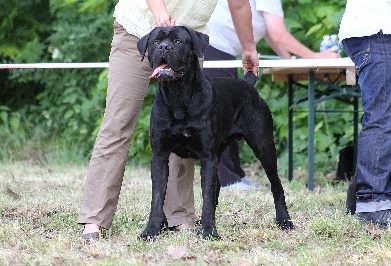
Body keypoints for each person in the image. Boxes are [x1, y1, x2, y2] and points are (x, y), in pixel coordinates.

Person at [78, 0, 259, 240]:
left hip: (187, 40)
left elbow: (239, 4)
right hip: (138, 29)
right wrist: (160, 12)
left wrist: (248, 47)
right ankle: (94, 218)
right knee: (118, 124)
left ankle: (180, 217)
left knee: (187, 128)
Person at [203, 0, 340, 190]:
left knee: (230, 114)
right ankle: (227, 180)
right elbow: (278, 33)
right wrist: (314, 57)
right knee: (223, 118)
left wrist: (290, 61)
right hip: (213, 48)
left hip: (222, 50)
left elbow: (269, 33)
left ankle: (235, 176)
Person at [338, 0, 391, 228]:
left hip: (383, 29)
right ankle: (371, 202)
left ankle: (386, 197)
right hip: (379, 29)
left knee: (389, 118)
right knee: (383, 119)